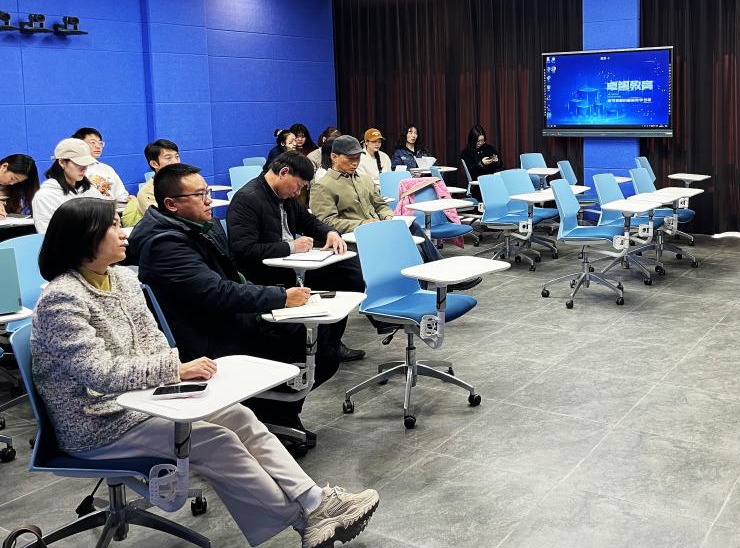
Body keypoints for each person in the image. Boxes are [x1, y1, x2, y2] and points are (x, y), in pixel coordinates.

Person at [33, 197, 379, 548]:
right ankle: (306, 519)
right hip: (99, 424)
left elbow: (153, 339)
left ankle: (315, 500)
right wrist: (174, 368)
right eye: (112, 226)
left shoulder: (121, 278)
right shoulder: (62, 299)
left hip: (141, 399)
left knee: (238, 415)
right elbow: (100, 374)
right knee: (216, 439)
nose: (124, 233)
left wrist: (175, 376)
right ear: (85, 237)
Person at [130, 163, 344, 453]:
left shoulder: (196, 227)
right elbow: (217, 292)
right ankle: (272, 413)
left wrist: (274, 296)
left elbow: (230, 279)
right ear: (171, 204)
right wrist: (280, 297)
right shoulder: (164, 244)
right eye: (199, 195)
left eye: (207, 192)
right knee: (316, 347)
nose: (209, 200)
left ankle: (275, 414)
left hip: (226, 317)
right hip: (210, 335)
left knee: (325, 335)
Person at [227, 151, 365, 362]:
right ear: (284, 172)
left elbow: (308, 222)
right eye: (298, 186)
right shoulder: (247, 199)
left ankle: (332, 343)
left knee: (349, 274)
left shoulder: (286, 196)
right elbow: (244, 250)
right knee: (337, 278)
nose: (297, 192)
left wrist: (330, 233)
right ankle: (320, 347)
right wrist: (289, 247)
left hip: (291, 265)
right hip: (265, 274)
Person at [310, 136, 480, 290]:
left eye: (358, 158)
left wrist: (388, 216)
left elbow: (380, 204)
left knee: (412, 228)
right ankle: (441, 280)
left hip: (378, 228)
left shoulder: (364, 179)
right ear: (334, 157)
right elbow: (326, 222)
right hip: (356, 237)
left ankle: (442, 275)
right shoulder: (323, 186)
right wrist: (362, 224)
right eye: (350, 158)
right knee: (414, 248)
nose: (355, 162)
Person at [32, 139, 97, 233]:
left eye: (86, 163)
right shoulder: (45, 197)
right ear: (62, 162)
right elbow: (47, 234)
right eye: (79, 163)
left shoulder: (90, 190)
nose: (84, 168)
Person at [122, 138, 179, 227]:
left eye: (177, 156)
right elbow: (162, 222)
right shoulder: (146, 193)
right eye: (168, 158)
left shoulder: (186, 182)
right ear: (154, 164)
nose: (175, 161)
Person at [71, 127, 133, 208]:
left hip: (113, 212)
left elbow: (121, 195)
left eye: (100, 143)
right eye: (93, 142)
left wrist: (128, 200)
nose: (98, 146)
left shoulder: (107, 169)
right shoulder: (72, 170)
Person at [0, 153, 39, 218]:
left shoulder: (15, 189)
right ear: (4, 166)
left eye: (17, 182)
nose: (12, 183)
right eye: (12, 178)